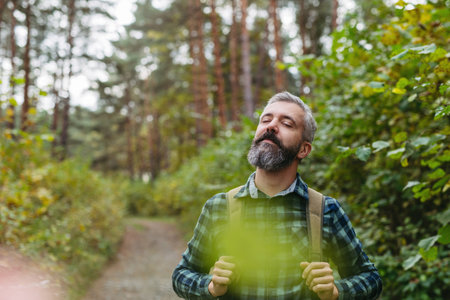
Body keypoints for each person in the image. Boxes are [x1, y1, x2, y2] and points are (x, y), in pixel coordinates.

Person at [172, 91, 382, 299]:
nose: (271, 126)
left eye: (287, 124)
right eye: (266, 120)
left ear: (303, 149)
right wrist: (210, 286)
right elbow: (181, 276)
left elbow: (370, 278)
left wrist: (336, 292)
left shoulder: (326, 210)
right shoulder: (219, 207)